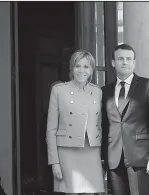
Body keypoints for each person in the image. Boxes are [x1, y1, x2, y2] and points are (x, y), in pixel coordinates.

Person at [101, 43, 149, 195]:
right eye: (120, 59)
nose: (125, 62)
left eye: (129, 59)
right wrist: (102, 157)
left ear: (134, 62)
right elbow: (103, 125)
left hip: (140, 156)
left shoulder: (148, 85)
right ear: (113, 62)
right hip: (113, 157)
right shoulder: (105, 91)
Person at [46, 50, 105, 194]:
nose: (81, 71)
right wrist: (54, 161)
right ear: (72, 68)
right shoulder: (58, 90)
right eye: (78, 66)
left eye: (86, 67)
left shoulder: (97, 92)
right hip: (67, 152)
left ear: (91, 70)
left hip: (91, 151)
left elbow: (100, 125)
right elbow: (51, 130)